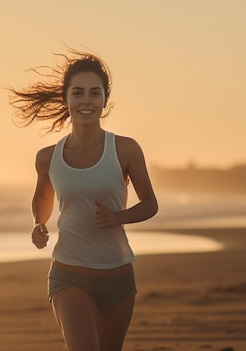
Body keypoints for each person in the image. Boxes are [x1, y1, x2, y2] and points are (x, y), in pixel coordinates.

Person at [8, 48, 158, 351]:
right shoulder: (48, 157)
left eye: (94, 93)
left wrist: (119, 217)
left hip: (118, 277)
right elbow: (42, 195)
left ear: (105, 99)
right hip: (68, 274)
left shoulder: (126, 150)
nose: (86, 101)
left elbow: (150, 205)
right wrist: (39, 222)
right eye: (78, 93)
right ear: (66, 99)